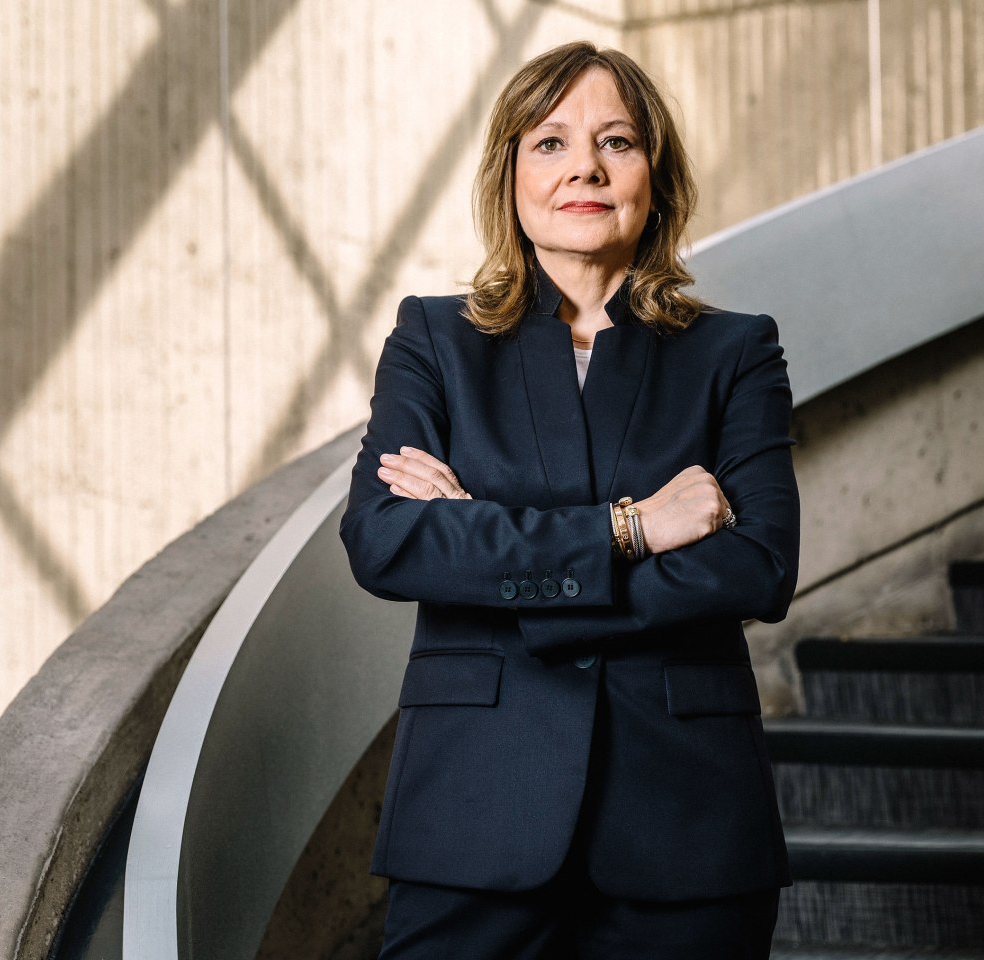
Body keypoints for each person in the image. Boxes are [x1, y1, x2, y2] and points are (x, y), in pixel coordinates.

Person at [338, 39, 799, 960]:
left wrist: (500, 563)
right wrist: (634, 529)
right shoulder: (434, 340)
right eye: (549, 142)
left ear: (653, 174)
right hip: (473, 813)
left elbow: (757, 567)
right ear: (509, 174)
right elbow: (388, 541)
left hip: (686, 823)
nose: (584, 166)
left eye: (616, 141)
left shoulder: (734, 352)